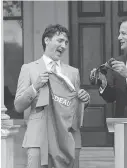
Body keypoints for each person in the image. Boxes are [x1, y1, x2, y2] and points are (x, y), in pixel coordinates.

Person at [14, 24, 90, 168]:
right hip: (38, 137)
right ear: (47, 40)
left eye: (66, 42)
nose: (64, 45)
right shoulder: (29, 69)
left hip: (67, 136)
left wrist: (85, 100)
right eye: (60, 40)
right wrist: (35, 86)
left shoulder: (73, 72)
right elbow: (18, 106)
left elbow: (74, 104)